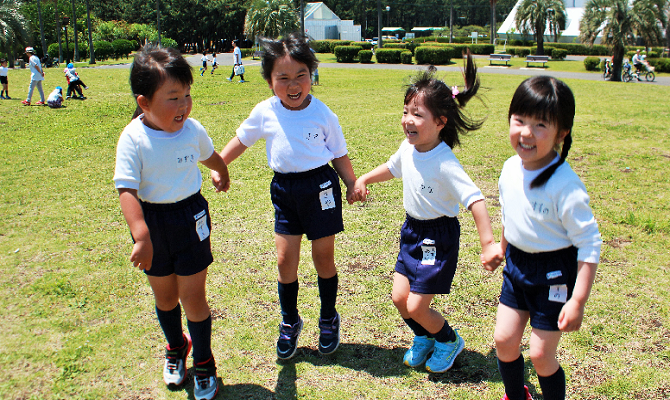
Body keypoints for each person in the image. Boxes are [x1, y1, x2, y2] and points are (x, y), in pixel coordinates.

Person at [352, 55, 504, 373]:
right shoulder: (408, 149)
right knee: (399, 298)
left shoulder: (445, 162)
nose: (408, 119)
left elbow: (476, 200)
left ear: (440, 122)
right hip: (412, 232)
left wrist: (488, 243)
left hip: (437, 237)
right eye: (406, 111)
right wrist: (364, 178)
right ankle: (424, 336)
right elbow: (392, 168)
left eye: (417, 114)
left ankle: (448, 340)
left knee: (416, 305)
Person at [211, 32, 358, 360]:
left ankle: (328, 317)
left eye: (300, 76)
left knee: (323, 259)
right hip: (285, 190)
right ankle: (290, 321)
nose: (293, 85)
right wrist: (220, 165)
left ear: (311, 75)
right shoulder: (265, 111)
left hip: (321, 188)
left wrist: (350, 183)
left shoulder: (323, 114)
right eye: (283, 78)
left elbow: (339, 153)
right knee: (284, 261)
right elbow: (242, 139)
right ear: (268, 81)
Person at [114, 45, 231, 400]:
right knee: (165, 297)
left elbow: (210, 156)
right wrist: (141, 235)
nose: (183, 106)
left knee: (193, 297)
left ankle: (205, 360)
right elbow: (127, 189)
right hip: (153, 223)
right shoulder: (133, 138)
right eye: (172, 98)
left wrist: (221, 171)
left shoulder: (192, 129)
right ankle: (175, 346)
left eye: (187, 96)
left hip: (190, 216)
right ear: (144, 102)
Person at [493, 76, 601, 400]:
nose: (526, 132)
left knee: (541, 355)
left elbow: (589, 242)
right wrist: (502, 248)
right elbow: (509, 213)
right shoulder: (510, 168)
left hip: (554, 273)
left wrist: (578, 300)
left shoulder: (565, 185)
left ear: (561, 134)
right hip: (517, 267)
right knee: (504, 341)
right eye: (519, 120)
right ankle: (516, 394)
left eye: (540, 125)